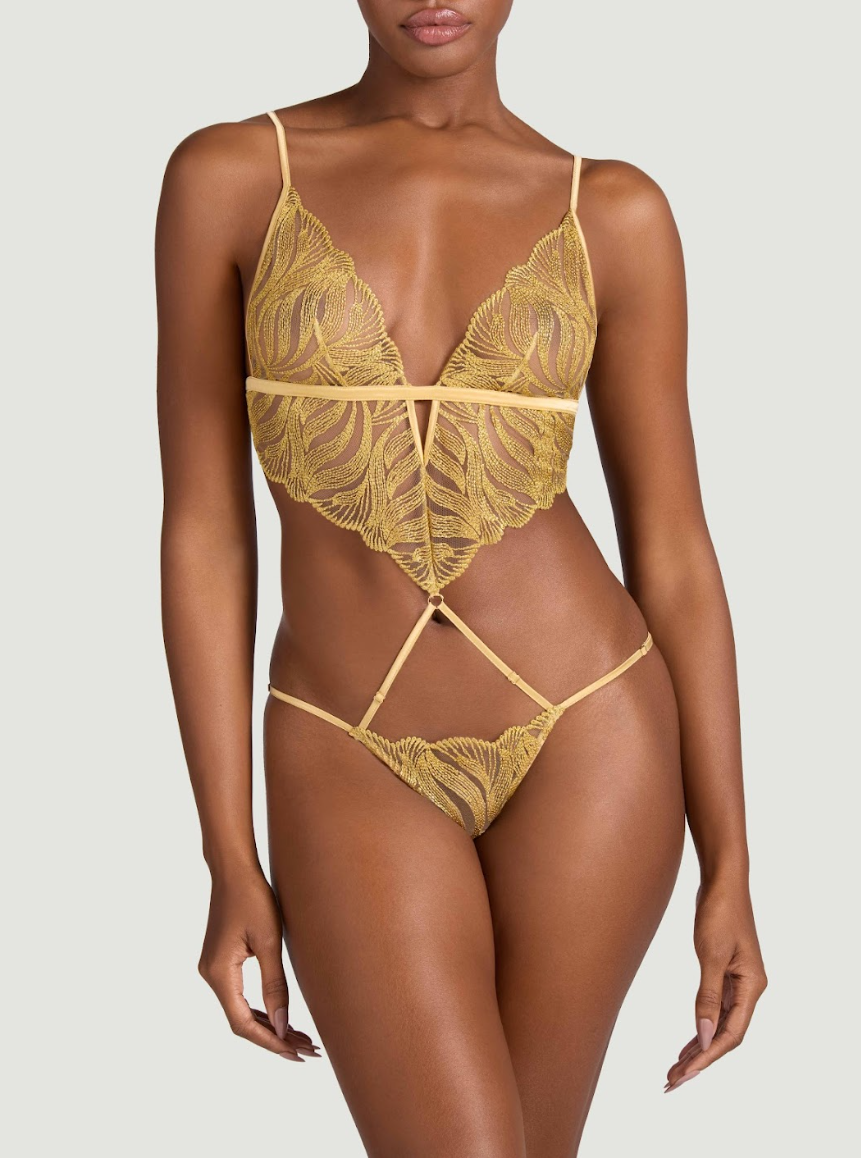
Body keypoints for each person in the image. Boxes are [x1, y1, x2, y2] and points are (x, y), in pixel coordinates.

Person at [156, 2, 767, 1153]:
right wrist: (226, 851)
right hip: (345, 742)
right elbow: (204, 532)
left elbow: (675, 550)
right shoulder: (229, 177)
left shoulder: (613, 209)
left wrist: (730, 860)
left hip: (590, 729)